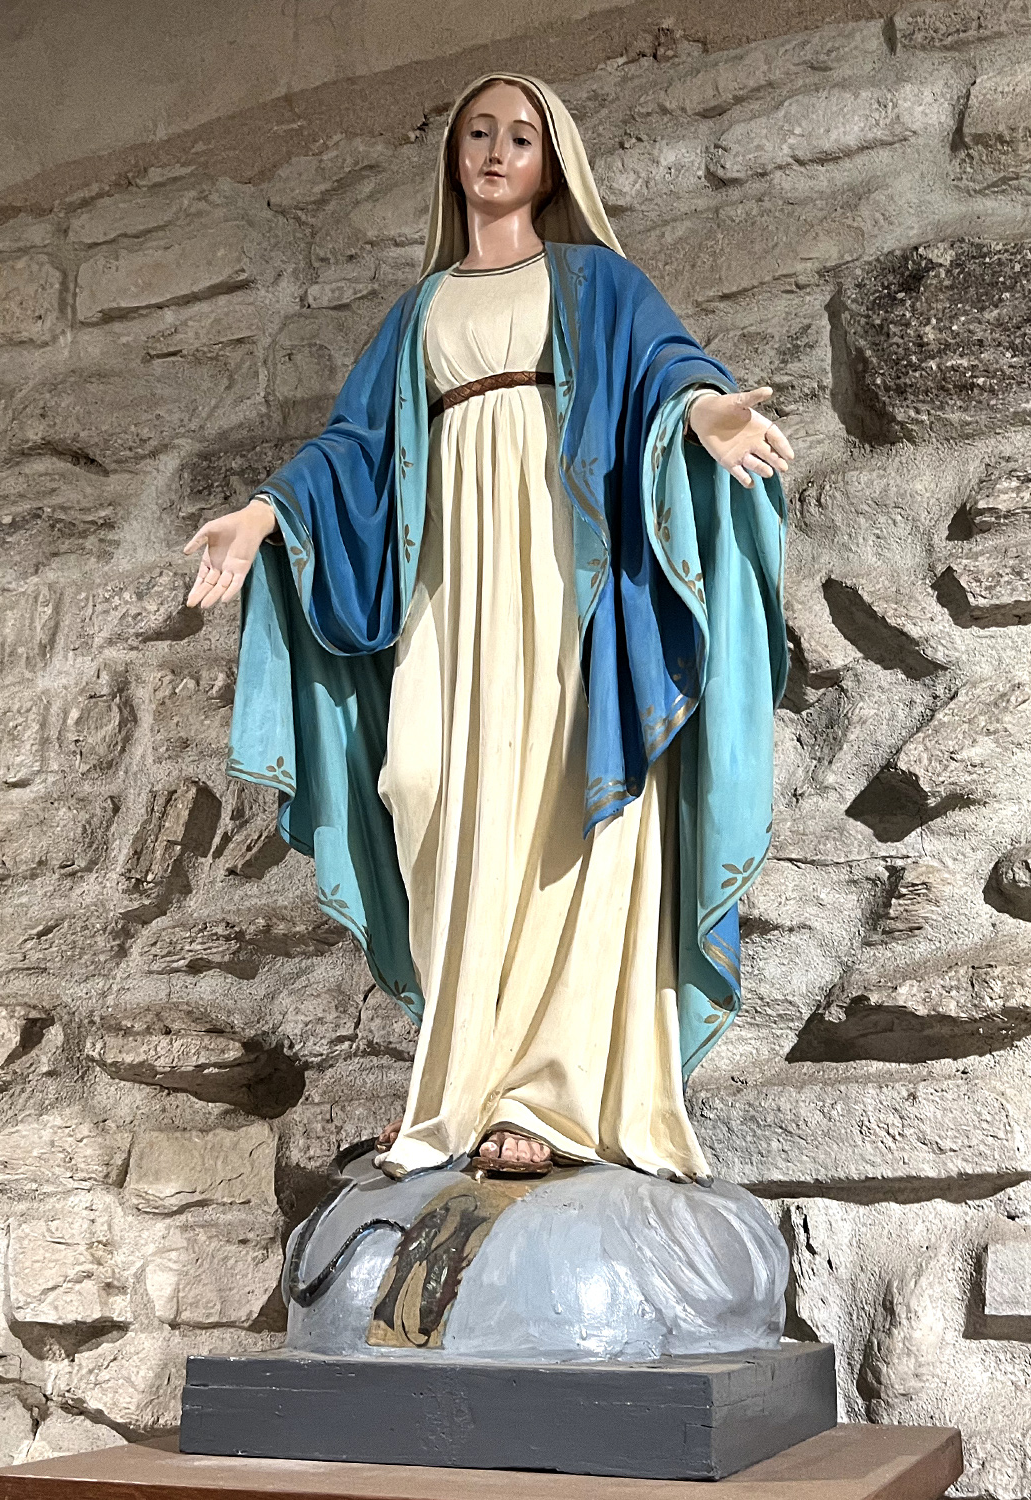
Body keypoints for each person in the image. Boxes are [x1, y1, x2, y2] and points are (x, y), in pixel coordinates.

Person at [186, 73, 788, 1183]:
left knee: (564, 802)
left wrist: (705, 415)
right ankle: (459, 1080)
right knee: (422, 782)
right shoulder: (420, 313)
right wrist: (263, 514)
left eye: (521, 136)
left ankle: (544, 1097)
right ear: (453, 156)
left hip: (570, 578)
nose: (497, 152)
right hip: (452, 590)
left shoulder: (594, 281)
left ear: (552, 162)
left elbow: (663, 373)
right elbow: (354, 449)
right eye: (478, 133)